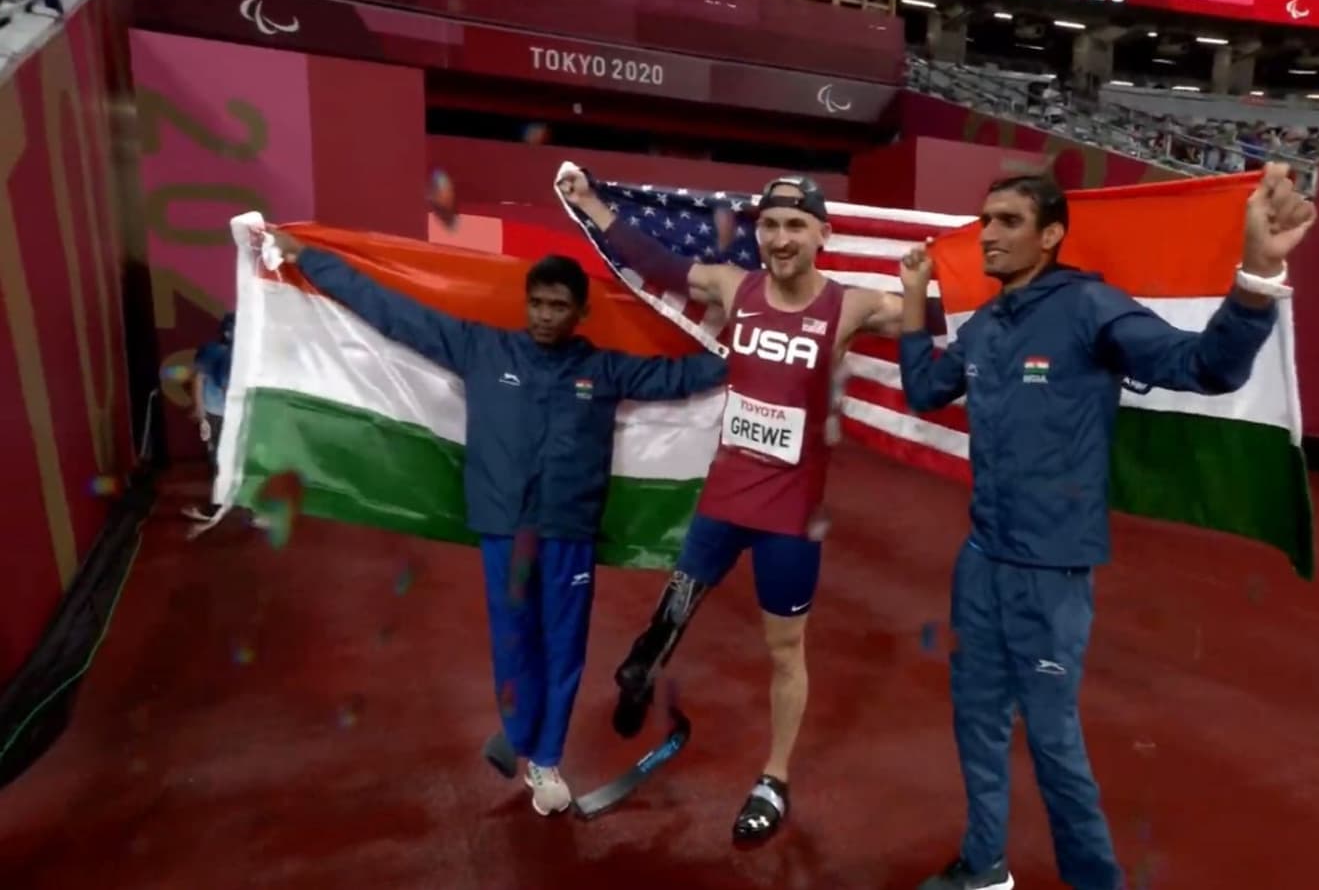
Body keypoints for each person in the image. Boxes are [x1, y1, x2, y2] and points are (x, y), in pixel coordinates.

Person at [896, 164, 1316, 890]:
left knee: (1054, 741)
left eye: (1008, 222)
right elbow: (925, 389)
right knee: (977, 721)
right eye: (986, 220)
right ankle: (984, 864)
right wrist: (911, 300)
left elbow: (1205, 368)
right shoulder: (989, 325)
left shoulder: (1091, 306)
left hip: (1051, 568)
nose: (989, 234)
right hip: (982, 558)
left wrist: (1256, 273)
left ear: (1051, 234)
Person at [264, 228, 728, 816]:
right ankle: (520, 731)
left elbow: (684, 378)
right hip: (504, 529)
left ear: (581, 311)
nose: (544, 316)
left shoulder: (605, 370)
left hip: (569, 534)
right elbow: (391, 312)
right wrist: (311, 260)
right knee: (512, 643)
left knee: (563, 648)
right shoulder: (482, 349)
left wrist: (759, 357)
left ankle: (547, 760)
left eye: (559, 306)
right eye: (537, 303)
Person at [559, 170, 912, 844]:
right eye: (771, 227)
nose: (780, 239)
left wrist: (947, 279)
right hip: (726, 496)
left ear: (822, 235)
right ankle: (642, 671)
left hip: (791, 516)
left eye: (796, 226)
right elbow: (656, 263)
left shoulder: (852, 305)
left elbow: (929, 318)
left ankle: (773, 777)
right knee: (675, 602)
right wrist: (591, 205)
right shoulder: (733, 285)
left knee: (785, 650)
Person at [183, 313, 235, 527]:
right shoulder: (216, 351)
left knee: (223, 461)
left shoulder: (230, 352)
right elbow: (200, 379)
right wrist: (200, 409)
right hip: (219, 415)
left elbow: (199, 380)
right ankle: (239, 508)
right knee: (223, 460)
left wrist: (199, 408)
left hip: (225, 414)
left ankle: (220, 507)